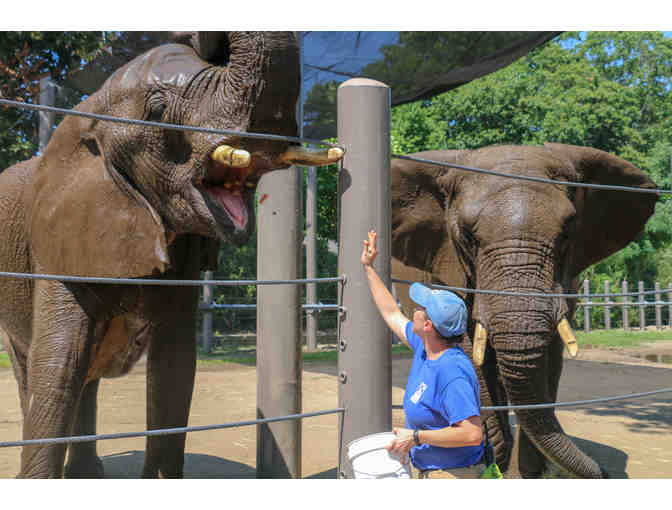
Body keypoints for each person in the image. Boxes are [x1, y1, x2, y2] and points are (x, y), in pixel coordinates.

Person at [361, 229, 485, 479]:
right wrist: (368, 267)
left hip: (454, 476)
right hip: (432, 472)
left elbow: (472, 433)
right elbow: (391, 313)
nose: (413, 309)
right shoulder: (425, 348)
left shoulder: (451, 371)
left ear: (428, 325)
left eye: (419, 308)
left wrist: (416, 437)